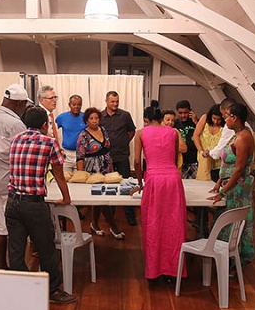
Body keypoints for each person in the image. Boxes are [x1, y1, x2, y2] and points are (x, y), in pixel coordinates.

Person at [6, 107, 76, 304]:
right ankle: (52, 290)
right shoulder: (49, 142)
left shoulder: (15, 140)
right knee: (46, 248)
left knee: (16, 250)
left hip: (12, 202)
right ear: (45, 124)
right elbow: (59, 174)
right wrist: (66, 198)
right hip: (34, 205)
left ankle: (23, 289)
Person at [133, 101, 187, 283]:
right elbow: (174, 158)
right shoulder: (173, 132)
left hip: (154, 179)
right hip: (172, 179)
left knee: (154, 224)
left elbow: (137, 162)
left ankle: (155, 271)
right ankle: (173, 271)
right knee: (174, 225)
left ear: (146, 119)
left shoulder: (141, 133)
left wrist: (140, 182)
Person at [0, 83, 30, 270]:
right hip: (11, 183)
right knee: (16, 228)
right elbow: (26, 154)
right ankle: (16, 268)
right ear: (18, 104)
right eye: (24, 105)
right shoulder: (15, 124)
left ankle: (1, 266)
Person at [208, 103, 255, 267]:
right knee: (224, 222)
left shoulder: (243, 138)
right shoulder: (236, 135)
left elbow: (239, 169)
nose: (224, 119)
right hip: (229, 184)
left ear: (234, 118)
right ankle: (223, 259)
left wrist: (223, 192)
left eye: (227, 116)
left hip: (237, 189)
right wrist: (219, 182)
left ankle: (233, 262)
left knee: (233, 223)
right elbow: (228, 164)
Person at [76, 107, 124, 239]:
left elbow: (107, 147)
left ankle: (94, 224)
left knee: (101, 197)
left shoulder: (102, 129)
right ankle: (113, 225)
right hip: (92, 170)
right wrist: (81, 175)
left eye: (96, 118)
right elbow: (80, 156)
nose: (94, 121)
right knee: (100, 198)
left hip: (106, 167)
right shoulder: (83, 135)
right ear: (86, 121)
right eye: (91, 118)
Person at [100, 91, 137, 226]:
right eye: (112, 101)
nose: (115, 104)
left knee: (126, 184)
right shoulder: (100, 116)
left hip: (122, 155)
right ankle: (110, 217)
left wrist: (124, 141)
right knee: (109, 186)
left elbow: (132, 131)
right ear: (106, 101)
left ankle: (130, 215)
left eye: (117, 101)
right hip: (107, 158)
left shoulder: (125, 115)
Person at [192, 104, 224, 181]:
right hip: (204, 160)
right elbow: (196, 136)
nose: (216, 121)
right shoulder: (205, 118)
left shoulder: (226, 126)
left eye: (219, 119)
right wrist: (201, 151)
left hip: (218, 162)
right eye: (214, 118)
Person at [55, 95, 86, 173]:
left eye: (79, 105)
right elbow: (53, 130)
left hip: (80, 154)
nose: (76, 107)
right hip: (66, 154)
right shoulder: (61, 117)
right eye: (74, 104)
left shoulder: (85, 118)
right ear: (69, 105)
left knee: (79, 178)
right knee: (65, 177)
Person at [174, 100, 198, 179]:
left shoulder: (196, 122)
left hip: (194, 161)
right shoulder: (174, 124)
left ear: (190, 112)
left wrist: (196, 122)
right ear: (177, 112)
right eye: (180, 113)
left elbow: (203, 135)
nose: (183, 115)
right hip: (180, 161)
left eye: (185, 112)